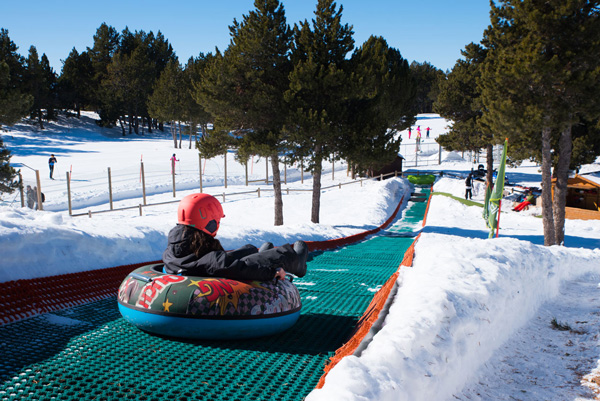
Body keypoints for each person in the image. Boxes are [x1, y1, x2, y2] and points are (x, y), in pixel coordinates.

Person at [162, 193, 308, 282]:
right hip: (214, 278)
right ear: (210, 223)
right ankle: (296, 262)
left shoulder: (173, 250)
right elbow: (233, 267)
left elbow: (214, 262)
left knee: (248, 250)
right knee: (266, 259)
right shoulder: (213, 261)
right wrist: (271, 272)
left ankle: (258, 252)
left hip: (201, 269)